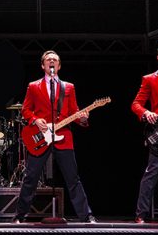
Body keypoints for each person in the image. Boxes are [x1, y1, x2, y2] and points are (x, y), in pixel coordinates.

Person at [13, 50, 97, 223]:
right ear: (43, 65)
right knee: (31, 177)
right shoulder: (33, 86)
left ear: (59, 65)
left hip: (64, 137)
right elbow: (25, 110)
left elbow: (74, 111)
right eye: (48, 60)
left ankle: (86, 216)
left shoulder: (69, 87)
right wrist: (36, 120)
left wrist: (82, 118)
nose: (52, 62)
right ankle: (19, 216)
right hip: (41, 137)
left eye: (55, 60)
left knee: (73, 178)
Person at [131, 42, 158, 224]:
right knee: (151, 173)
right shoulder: (150, 79)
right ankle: (140, 214)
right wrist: (146, 112)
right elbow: (136, 104)